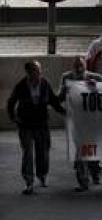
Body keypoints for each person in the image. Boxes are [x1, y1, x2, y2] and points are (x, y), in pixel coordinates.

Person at [7, 61, 66, 195]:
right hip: (25, 124)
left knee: (43, 152)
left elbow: (53, 100)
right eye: (36, 71)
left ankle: (42, 175)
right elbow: (11, 101)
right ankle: (29, 182)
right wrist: (12, 117)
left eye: (39, 71)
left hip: (41, 124)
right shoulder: (21, 85)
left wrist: (63, 111)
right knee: (27, 153)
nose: (39, 73)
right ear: (28, 73)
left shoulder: (45, 83)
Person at [58, 56, 102, 191]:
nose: (78, 68)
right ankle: (83, 181)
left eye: (81, 65)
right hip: (76, 121)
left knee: (93, 150)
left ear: (85, 66)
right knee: (80, 151)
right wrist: (63, 94)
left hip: (92, 120)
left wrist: (96, 88)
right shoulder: (66, 78)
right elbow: (59, 97)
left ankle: (95, 171)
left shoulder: (97, 78)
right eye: (76, 65)